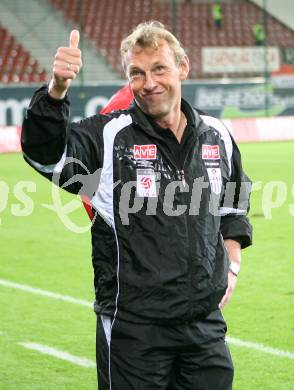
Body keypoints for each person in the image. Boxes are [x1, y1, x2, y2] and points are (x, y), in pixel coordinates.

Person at [22, 21, 252, 390]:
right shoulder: (108, 135)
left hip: (204, 328)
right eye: (137, 73)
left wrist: (233, 260)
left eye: (159, 69)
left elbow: (236, 198)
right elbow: (46, 156)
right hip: (135, 331)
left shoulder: (216, 134)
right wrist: (56, 92)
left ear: (183, 67)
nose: (149, 83)